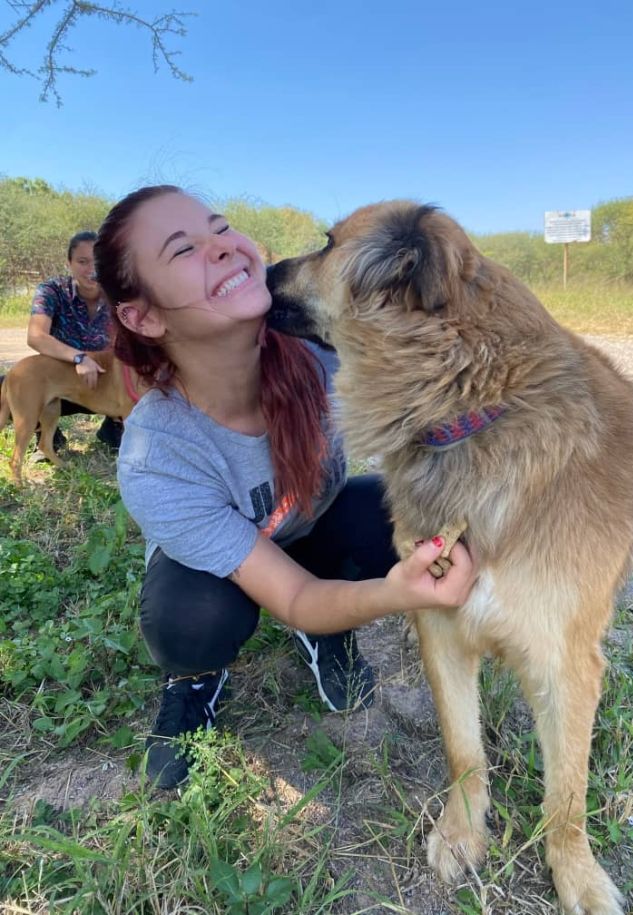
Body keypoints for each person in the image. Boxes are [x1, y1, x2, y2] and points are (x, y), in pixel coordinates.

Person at [93, 185, 478, 789]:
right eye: (183, 249)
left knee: (405, 513)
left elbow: (452, 369)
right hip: (220, 574)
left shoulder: (323, 351)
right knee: (190, 619)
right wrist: (400, 594)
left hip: (312, 529)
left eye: (220, 228)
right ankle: (193, 683)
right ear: (143, 316)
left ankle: (328, 631)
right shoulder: (157, 453)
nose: (221, 247)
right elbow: (293, 596)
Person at [27, 230, 124, 451]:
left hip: (105, 385)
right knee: (8, 386)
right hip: (61, 383)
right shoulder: (52, 291)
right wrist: (79, 358)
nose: (92, 270)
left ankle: (115, 428)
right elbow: (36, 337)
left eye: (98, 262)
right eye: (83, 261)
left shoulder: (118, 296)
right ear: (69, 263)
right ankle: (46, 436)